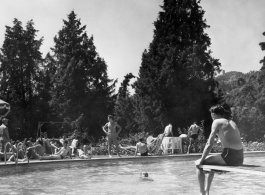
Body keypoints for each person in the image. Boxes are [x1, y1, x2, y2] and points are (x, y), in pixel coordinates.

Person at [195, 104, 243, 195]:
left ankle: (202, 193)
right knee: (211, 162)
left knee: (198, 164)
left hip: (229, 156)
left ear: (213, 114)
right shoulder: (232, 122)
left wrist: (201, 160)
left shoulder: (217, 122)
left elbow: (209, 144)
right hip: (240, 158)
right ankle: (207, 191)